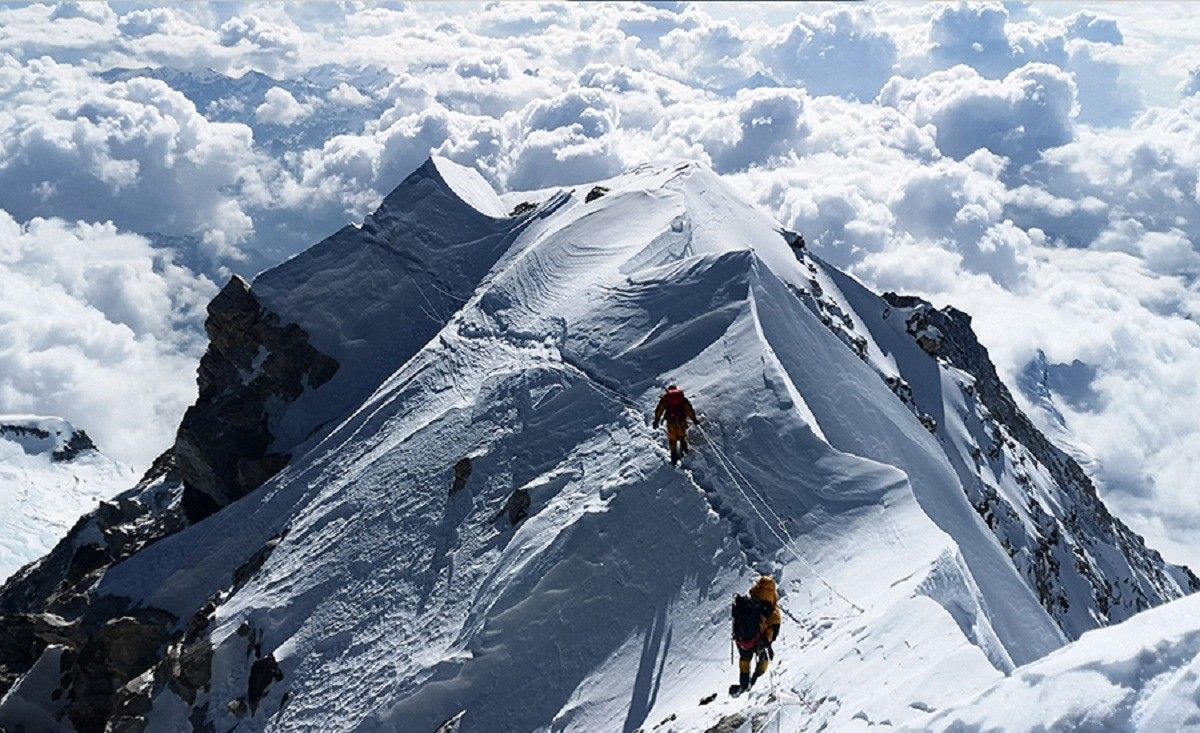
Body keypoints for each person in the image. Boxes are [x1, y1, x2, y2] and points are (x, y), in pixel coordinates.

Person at [730, 576, 782, 695]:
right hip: (759, 641)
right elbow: (773, 631)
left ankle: (743, 683)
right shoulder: (772, 611)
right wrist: (767, 642)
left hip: (742, 640)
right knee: (763, 659)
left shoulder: (749, 601)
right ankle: (755, 681)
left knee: (745, 659)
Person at [652, 385, 698, 465]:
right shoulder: (682, 399)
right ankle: (684, 452)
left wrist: (657, 420)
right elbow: (688, 409)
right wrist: (694, 419)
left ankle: (674, 456)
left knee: (672, 439)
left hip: (671, 422)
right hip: (681, 422)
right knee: (682, 436)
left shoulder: (666, 399)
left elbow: (660, 409)